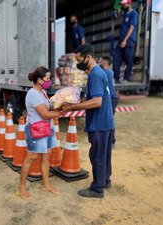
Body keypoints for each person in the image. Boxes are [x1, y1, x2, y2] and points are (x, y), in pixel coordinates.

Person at [62, 44, 114, 198]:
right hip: (106, 122)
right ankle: (105, 180)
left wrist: (73, 107)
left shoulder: (95, 75)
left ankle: (97, 189)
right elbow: (96, 98)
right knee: (104, 154)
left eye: (80, 60)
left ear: (88, 57)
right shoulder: (98, 73)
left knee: (96, 155)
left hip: (99, 122)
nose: (79, 63)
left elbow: (97, 102)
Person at [16, 66, 61, 201]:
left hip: (48, 129)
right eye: (47, 78)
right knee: (31, 158)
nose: (49, 81)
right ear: (39, 80)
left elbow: (49, 108)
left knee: (46, 157)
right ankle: (21, 188)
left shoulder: (43, 92)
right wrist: (62, 112)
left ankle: (46, 184)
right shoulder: (33, 94)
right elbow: (46, 114)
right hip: (37, 131)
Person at [113, 0, 138, 83]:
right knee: (116, 58)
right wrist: (116, 16)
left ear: (129, 3)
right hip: (122, 40)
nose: (122, 7)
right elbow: (121, 25)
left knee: (129, 59)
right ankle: (116, 78)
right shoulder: (124, 15)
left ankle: (126, 79)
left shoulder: (133, 13)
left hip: (129, 40)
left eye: (124, 5)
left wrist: (125, 40)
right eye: (122, 5)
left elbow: (132, 27)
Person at [100, 56, 118, 143]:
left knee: (109, 118)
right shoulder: (109, 71)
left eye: (101, 61)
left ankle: (111, 138)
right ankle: (110, 138)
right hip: (112, 97)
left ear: (105, 62)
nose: (100, 62)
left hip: (111, 98)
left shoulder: (106, 72)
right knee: (109, 117)